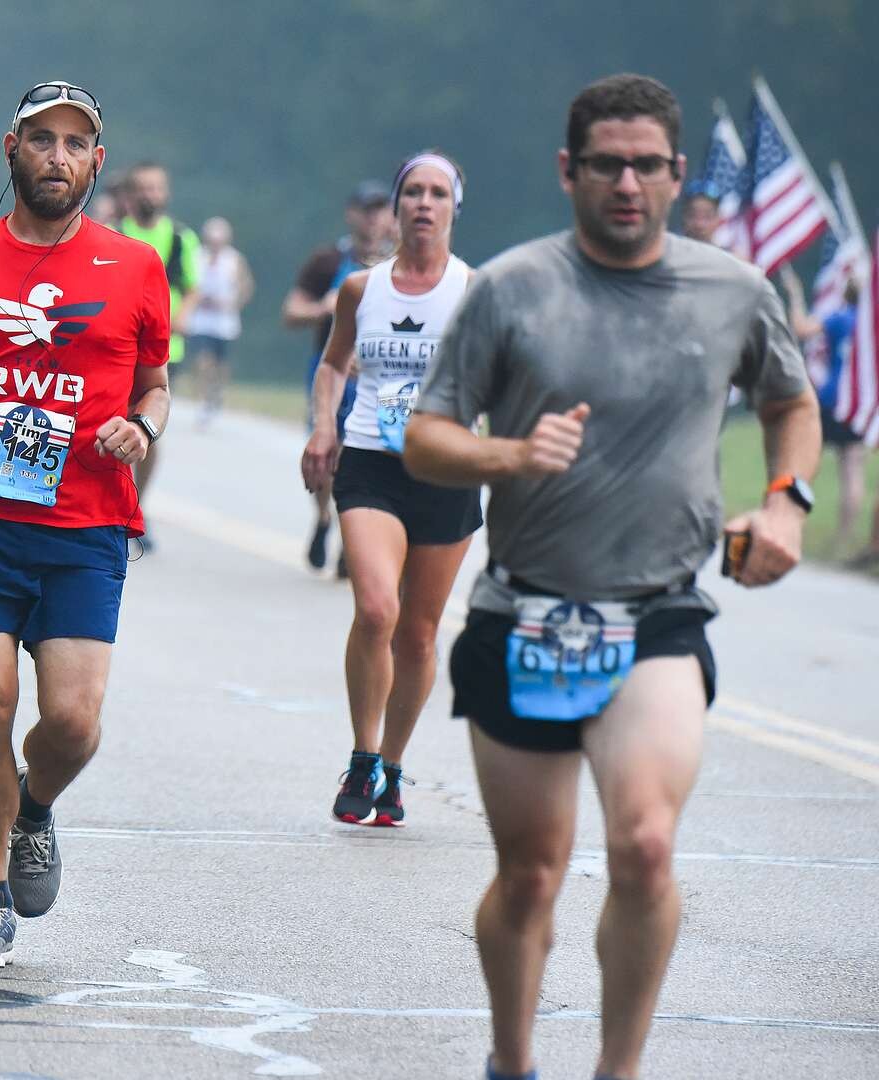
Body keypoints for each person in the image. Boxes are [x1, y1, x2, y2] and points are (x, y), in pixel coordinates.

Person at [401, 74, 819, 1080]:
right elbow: (425, 438)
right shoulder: (512, 287)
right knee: (531, 873)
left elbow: (789, 403)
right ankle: (512, 1061)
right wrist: (510, 455)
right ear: (569, 170)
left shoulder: (733, 290)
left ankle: (616, 1070)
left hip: (658, 614)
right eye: (606, 165)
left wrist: (786, 503)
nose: (627, 184)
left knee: (644, 846)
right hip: (525, 611)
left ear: (677, 174)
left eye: (646, 166)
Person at [0, 80, 170, 968]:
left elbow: (155, 386)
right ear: (11, 150)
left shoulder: (136, 266)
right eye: (42, 139)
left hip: (85, 523)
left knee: (74, 724)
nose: (58, 156)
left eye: (75, 143)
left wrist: (143, 427)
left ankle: (33, 806)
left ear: (97, 161)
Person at [300, 152, 478, 827]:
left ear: (455, 206)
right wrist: (324, 428)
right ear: (397, 207)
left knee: (420, 635)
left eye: (438, 193)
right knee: (377, 610)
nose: (424, 203)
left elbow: (502, 375)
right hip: (372, 459)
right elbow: (333, 364)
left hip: (446, 468)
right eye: (413, 192)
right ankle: (363, 754)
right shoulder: (361, 288)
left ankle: (394, 769)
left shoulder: (475, 290)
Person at [285, 181, 396, 574]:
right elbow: (291, 312)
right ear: (352, 214)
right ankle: (323, 517)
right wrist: (323, 308)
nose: (373, 218)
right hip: (330, 368)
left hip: (380, 377)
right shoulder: (328, 261)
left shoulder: (401, 265)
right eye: (366, 210)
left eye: (380, 209)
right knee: (326, 451)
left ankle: (354, 538)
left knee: (366, 455)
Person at [119, 161, 199, 550]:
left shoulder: (181, 239)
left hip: (165, 351)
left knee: (148, 426)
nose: (150, 194)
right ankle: (117, 500)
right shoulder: (115, 232)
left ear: (166, 193)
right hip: (119, 345)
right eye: (143, 188)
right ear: (131, 194)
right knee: (115, 421)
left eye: (156, 188)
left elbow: (193, 286)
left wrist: (182, 316)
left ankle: (138, 505)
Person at [783, 271, 868, 543]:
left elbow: (802, 328)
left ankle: (793, 523)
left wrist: (796, 295)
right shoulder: (870, 326)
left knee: (806, 463)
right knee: (852, 469)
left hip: (830, 400)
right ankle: (845, 536)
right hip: (857, 402)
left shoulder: (838, 318)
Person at [185, 216, 255, 426]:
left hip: (224, 322)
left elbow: (246, 286)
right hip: (200, 319)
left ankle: (217, 392)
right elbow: (188, 282)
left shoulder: (234, 260)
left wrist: (234, 303)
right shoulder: (197, 256)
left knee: (221, 363)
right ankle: (204, 399)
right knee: (203, 359)